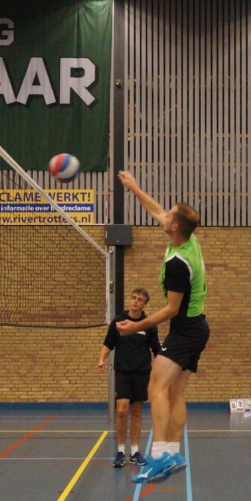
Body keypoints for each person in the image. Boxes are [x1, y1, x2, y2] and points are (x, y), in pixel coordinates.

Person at [115, 170, 208, 484]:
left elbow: (171, 309)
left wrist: (135, 327)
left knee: (155, 388)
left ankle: (158, 457)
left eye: (170, 215)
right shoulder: (188, 238)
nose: (163, 215)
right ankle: (173, 453)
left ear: (176, 225)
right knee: (175, 393)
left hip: (185, 330)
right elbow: (156, 210)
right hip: (196, 328)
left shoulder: (178, 263)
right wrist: (134, 188)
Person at [99, 287, 161, 468]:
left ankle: (134, 452)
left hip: (142, 372)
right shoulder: (118, 321)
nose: (135, 301)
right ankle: (120, 451)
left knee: (136, 412)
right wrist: (101, 359)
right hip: (123, 372)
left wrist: (163, 370)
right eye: (133, 298)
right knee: (121, 410)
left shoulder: (149, 325)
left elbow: (156, 350)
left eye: (139, 299)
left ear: (144, 304)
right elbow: (108, 343)